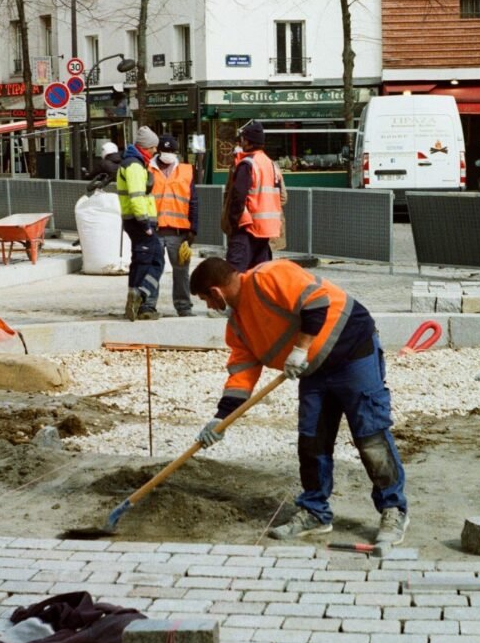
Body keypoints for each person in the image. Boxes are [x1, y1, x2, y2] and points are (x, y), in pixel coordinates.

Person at [190, 256, 409, 545]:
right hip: (313, 368)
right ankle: (315, 512)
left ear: (216, 292)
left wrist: (300, 349)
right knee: (312, 441)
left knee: (371, 437)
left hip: (352, 350)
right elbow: (242, 373)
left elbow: (316, 302)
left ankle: (394, 510)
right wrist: (222, 418)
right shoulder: (238, 325)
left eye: (206, 299)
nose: (209, 306)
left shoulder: (269, 275)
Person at [146, 133, 198, 317]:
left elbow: (193, 201)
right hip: (155, 230)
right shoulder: (148, 169)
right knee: (152, 269)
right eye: (166, 150)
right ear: (158, 151)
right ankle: (148, 305)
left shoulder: (186, 170)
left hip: (179, 232)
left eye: (172, 151)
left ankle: (184, 307)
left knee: (182, 272)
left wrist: (193, 228)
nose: (169, 154)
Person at [117, 126, 164, 321]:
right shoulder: (135, 166)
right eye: (153, 148)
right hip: (139, 222)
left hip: (134, 220)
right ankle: (141, 294)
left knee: (140, 261)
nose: (155, 152)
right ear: (146, 147)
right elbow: (137, 196)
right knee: (154, 260)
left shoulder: (133, 163)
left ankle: (134, 300)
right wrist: (145, 223)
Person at [224, 120, 282, 271]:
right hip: (266, 230)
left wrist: (235, 221)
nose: (241, 143)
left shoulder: (248, 164)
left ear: (248, 142)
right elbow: (280, 195)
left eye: (243, 139)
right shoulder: (270, 164)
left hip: (247, 228)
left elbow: (237, 197)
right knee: (260, 276)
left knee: (234, 275)